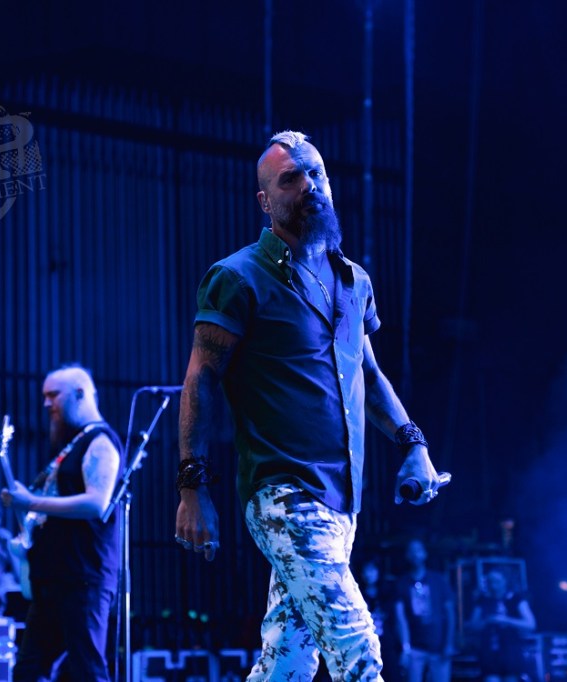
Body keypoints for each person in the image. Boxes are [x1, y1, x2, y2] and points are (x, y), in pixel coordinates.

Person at [174, 130, 447, 681]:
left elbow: (368, 374)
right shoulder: (238, 277)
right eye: (290, 179)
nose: (309, 185)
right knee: (357, 646)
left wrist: (413, 444)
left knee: (287, 663)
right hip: (284, 494)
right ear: (265, 200)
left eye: (316, 173)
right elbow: (200, 378)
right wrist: (192, 488)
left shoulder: (353, 281)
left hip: (342, 499)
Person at [2, 364, 123, 682]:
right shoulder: (71, 444)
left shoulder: (100, 441)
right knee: (28, 671)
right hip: (52, 578)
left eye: (53, 395)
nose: (46, 403)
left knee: (87, 670)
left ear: (80, 394)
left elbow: (96, 504)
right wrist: (26, 504)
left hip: (83, 579)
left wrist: (31, 501)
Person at [393, 539, 457, 682]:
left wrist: (449, 643)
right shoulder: (402, 583)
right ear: (407, 555)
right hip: (415, 647)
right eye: (412, 551)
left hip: (438, 646)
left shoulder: (438, 580)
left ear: (425, 554)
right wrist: (405, 648)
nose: (415, 554)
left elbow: (450, 613)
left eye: (419, 550)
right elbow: (400, 618)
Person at [465, 569, 535, 682]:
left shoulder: (516, 599)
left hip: (510, 649)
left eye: (497, 581)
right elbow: (472, 625)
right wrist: (487, 621)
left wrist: (506, 620)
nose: (493, 585)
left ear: (505, 581)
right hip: (489, 650)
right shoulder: (483, 600)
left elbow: (530, 624)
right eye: (490, 581)